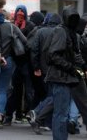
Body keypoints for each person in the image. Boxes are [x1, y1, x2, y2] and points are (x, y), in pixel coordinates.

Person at [45, 7, 86, 140]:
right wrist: (70, 67)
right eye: (72, 18)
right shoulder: (61, 31)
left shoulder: (70, 32)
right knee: (61, 114)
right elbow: (53, 55)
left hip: (66, 76)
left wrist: (82, 66)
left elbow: (74, 54)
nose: (74, 21)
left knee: (63, 113)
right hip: (61, 77)